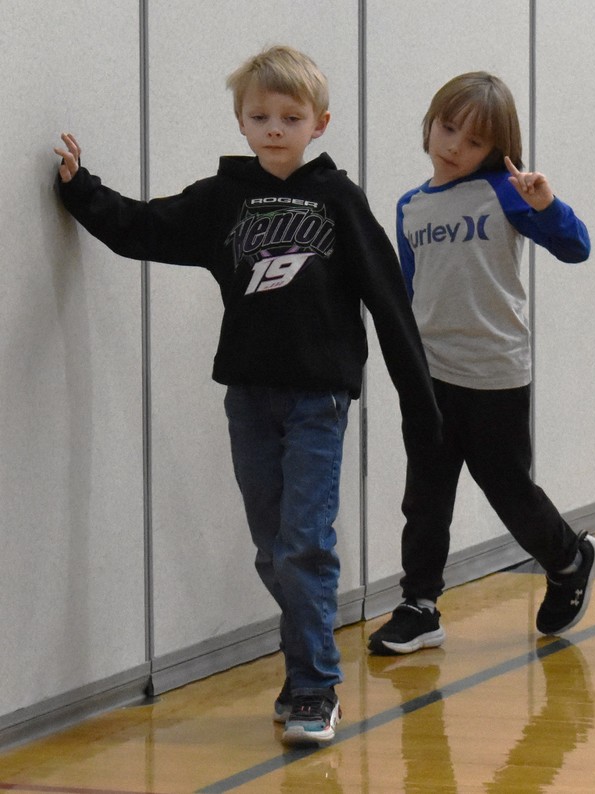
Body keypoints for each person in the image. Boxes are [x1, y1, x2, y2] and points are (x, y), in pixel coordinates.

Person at [53, 45, 440, 744]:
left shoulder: (339, 200)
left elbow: (389, 299)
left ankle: (314, 689)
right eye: (259, 115)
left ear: (318, 124)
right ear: (240, 120)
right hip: (249, 399)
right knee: (273, 550)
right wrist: (82, 190)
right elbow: (144, 227)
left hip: (319, 402)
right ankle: (305, 673)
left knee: (302, 546)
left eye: (289, 117)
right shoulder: (223, 199)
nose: (273, 128)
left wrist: (423, 407)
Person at [367, 71, 595, 656]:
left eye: (473, 143)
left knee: (506, 485)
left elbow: (576, 248)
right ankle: (419, 605)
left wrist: (547, 205)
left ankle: (569, 558)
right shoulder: (411, 206)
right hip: (431, 374)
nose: (454, 147)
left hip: (495, 369)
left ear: (495, 151)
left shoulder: (506, 192)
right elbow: (409, 289)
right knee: (425, 493)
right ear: (431, 123)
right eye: (448, 129)